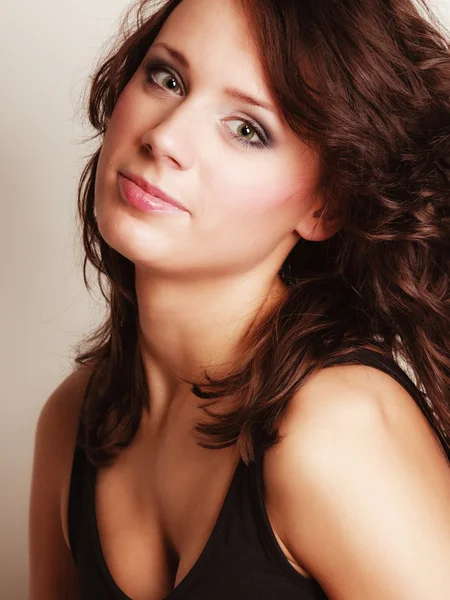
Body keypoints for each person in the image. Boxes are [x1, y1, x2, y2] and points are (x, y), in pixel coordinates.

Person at [28, 0, 450, 598]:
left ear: (325, 206)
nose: (164, 137)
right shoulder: (74, 418)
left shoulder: (336, 430)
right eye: (166, 77)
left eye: (247, 129)